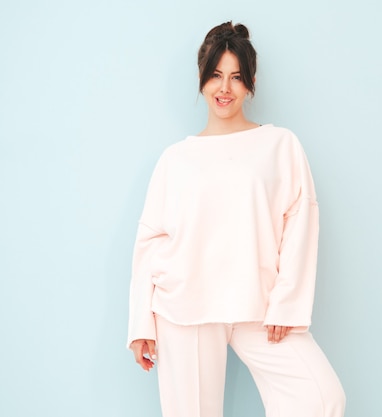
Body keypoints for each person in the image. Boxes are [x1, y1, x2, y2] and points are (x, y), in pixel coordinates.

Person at [126, 21, 346, 417]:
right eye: (215, 76)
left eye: (236, 77)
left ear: (251, 83)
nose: (224, 88)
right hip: (185, 307)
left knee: (321, 398)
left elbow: (300, 222)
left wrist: (287, 304)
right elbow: (151, 241)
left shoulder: (280, 145)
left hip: (258, 305)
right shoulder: (175, 159)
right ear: (201, 79)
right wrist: (142, 323)